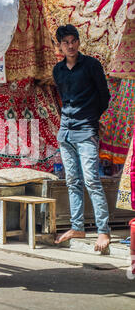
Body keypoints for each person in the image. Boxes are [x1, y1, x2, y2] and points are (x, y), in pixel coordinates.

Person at [52, 24, 111, 252]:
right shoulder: (58, 70)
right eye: (65, 42)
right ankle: (77, 226)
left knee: (91, 181)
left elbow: (104, 96)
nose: (70, 45)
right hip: (65, 130)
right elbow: (64, 99)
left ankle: (103, 231)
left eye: (73, 40)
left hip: (86, 129)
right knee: (72, 181)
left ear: (78, 41)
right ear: (60, 46)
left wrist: (92, 118)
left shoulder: (91, 66)